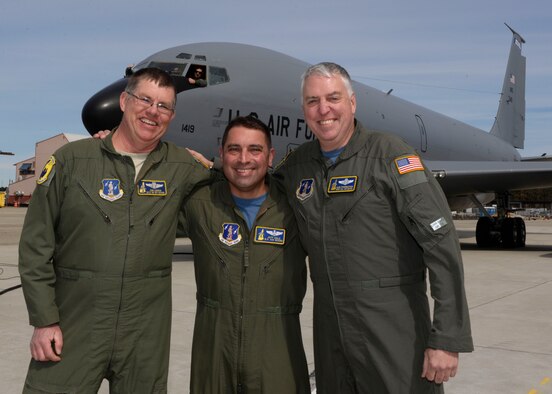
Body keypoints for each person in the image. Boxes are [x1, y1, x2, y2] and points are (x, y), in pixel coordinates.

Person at [273, 62, 474, 393]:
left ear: (352, 103)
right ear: (304, 109)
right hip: (332, 336)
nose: (323, 109)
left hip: (394, 332)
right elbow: (252, 187)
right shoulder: (297, 167)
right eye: (312, 101)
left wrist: (446, 338)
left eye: (333, 98)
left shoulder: (390, 156)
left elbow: (441, 245)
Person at [18, 67, 212, 393]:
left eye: (164, 106)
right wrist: (44, 320)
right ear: (124, 101)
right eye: (145, 100)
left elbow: (233, 196)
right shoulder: (73, 160)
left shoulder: (182, 167)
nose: (153, 111)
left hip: (144, 334)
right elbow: (36, 244)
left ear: (172, 115)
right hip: (74, 324)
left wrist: (210, 166)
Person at [180, 116, 310, 392]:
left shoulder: (295, 209)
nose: (244, 159)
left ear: (270, 156)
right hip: (214, 357)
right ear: (221, 154)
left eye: (255, 149)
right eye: (234, 149)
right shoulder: (199, 204)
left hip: (278, 357)